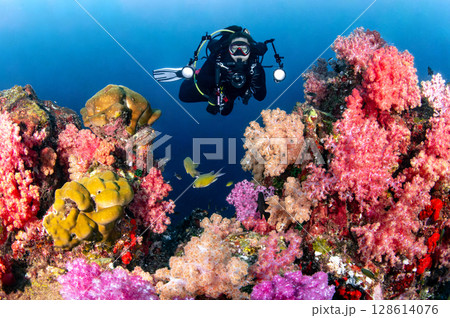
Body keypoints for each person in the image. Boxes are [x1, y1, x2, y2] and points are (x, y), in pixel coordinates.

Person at [178, 26, 268, 116]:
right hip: (212, 88)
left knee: (225, 112)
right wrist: (221, 77)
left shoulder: (255, 66)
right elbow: (202, 81)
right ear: (229, 49)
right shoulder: (218, 58)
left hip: (231, 93)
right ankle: (194, 73)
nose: (239, 53)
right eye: (235, 49)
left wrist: (257, 79)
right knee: (183, 95)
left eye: (244, 49)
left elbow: (260, 97)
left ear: (250, 50)